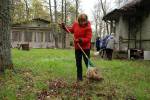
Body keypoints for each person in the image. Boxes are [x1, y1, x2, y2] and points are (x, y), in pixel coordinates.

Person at [59, 13, 92, 81]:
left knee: (87, 62)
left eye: (84, 21)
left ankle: (92, 76)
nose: (82, 23)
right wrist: (64, 27)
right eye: (80, 21)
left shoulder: (88, 28)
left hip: (85, 48)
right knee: (78, 62)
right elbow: (70, 30)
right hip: (77, 48)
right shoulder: (75, 24)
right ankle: (79, 78)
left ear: (86, 20)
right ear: (78, 20)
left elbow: (88, 39)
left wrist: (80, 40)